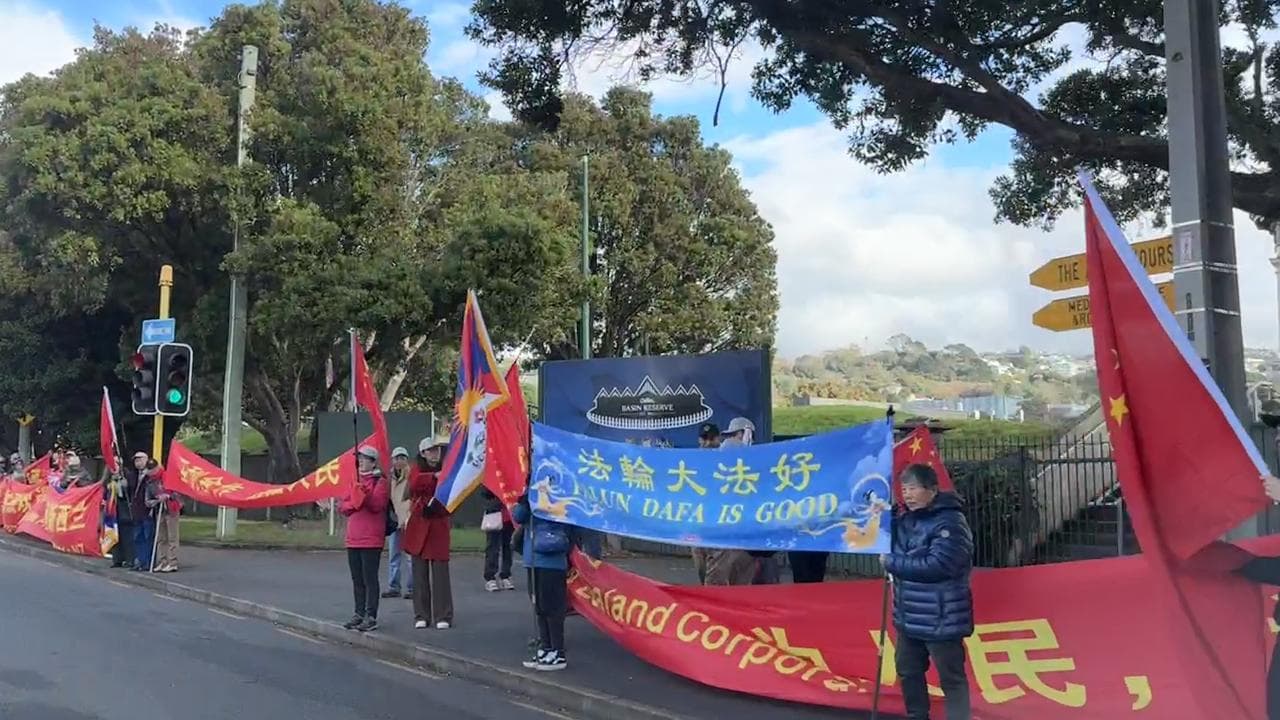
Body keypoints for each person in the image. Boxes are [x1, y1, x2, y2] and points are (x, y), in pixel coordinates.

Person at [882, 463, 974, 720]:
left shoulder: (951, 523)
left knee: (951, 678)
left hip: (942, 618)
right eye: (904, 489)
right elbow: (883, 536)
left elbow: (940, 565)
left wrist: (892, 563)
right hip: (909, 616)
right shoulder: (905, 520)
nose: (907, 495)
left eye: (913, 488)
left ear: (932, 490)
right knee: (908, 671)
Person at [513, 488, 571, 671]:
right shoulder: (532, 493)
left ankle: (558, 651)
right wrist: (524, 502)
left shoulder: (561, 493)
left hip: (551, 561)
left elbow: (565, 521)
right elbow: (519, 516)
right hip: (533, 560)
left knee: (552, 607)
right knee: (539, 606)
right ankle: (546, 647)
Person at [705, 418, 767, 586]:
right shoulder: (737, 451)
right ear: (743, 433)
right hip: (735, 529)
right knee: (736, 580)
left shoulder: (720, 452)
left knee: (718, 576)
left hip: (719, 528)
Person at [339, 446, 390, 632]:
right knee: (357, 579)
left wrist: (364, 495)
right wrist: (355, 500)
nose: (361, 461)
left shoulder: (380, 482)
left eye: (365, 458)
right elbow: (344, 506)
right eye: (359, 458)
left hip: (371, 538)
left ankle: (371, 615)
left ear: (373, 462)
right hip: (353, 538)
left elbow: (377, 505)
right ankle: (358, 613)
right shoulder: (354, 481)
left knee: (370, 578)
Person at [404, 440, 453, 629]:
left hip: (438, 524)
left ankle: (444, 616)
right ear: (423, 453)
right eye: (430, 451)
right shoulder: (416, 468)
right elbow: (415, 484)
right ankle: (421, 615)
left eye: (436, 450)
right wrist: (434, 477)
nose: (434, 453)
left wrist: (438, 477)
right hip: (419, 525)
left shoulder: (447, 468)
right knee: (419, 574)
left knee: (441, 573)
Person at [382, 446, 414, 600]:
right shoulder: (389, 478)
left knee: (409, 556)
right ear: (392, 460)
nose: (399, 461)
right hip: (395, 519)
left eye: (402, 458)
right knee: (394, 555)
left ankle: (412, 587)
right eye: (397, 458)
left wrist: (408, 516)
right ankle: (394, 586)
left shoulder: (412, 475)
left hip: (409, 519)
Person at [690, 422, 720, 584]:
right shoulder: (692, 463)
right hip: (697, 524)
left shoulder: (728, 460)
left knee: (716, 573)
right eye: (704, 439)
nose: (707, 443)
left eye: (711, 439)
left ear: (718, 439)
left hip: (719, 523)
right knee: (700, 565)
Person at [480, 486, 515, 592]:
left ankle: (505, 575)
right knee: (493, 547)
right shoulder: (492, 474)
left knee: (508, 547)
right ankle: (490, 577)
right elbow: (485, 492)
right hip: (494, 513)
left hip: (509, 515)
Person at [152, 470, 183, 573]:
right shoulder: (153, 479)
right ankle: (162, 561)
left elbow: (178, 494)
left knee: (172, 537)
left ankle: (172, 562)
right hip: (161, 510)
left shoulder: (169, 477)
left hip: (171, 510)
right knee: (161, 538)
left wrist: (168, 496)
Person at [135, 460, 163, 572]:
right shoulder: (148, 480)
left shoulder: (161, 478)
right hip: (141, 511)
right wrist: (151, 501)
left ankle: (149, 562)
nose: (151, 471)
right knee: (139, 537)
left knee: (149, 537)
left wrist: (156, 501)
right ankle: (141, 562)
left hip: (152, 513)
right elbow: (146, 497)